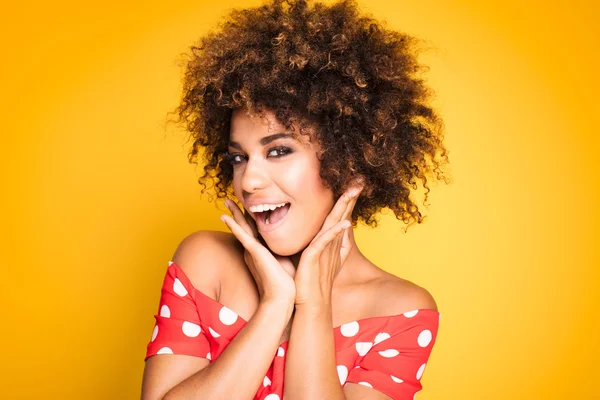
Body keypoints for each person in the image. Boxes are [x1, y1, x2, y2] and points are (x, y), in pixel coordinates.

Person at [141, 0, 450, 398]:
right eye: (239, 157)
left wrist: (313, 308)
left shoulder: (401, 312)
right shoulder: (206, 261)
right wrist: (274, 306)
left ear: (349, 161)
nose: (248, 180)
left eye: (279, 151)